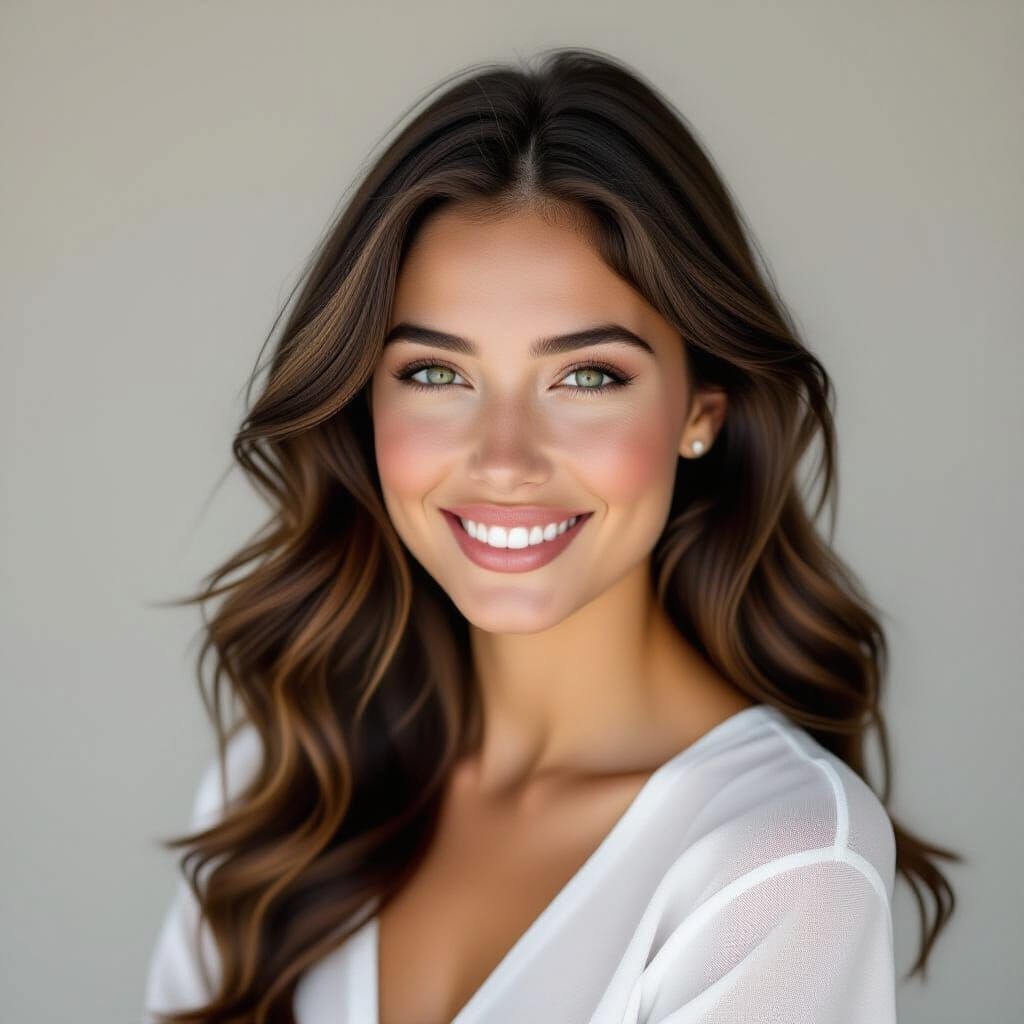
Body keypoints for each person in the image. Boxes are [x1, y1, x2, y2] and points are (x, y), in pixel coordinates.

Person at [142, 46, 960, 1024]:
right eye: (436, 374)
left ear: (701, 410)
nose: (504, 458)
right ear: (364, 401)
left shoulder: (777, 864)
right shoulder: (284, 779)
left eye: (586, 376)